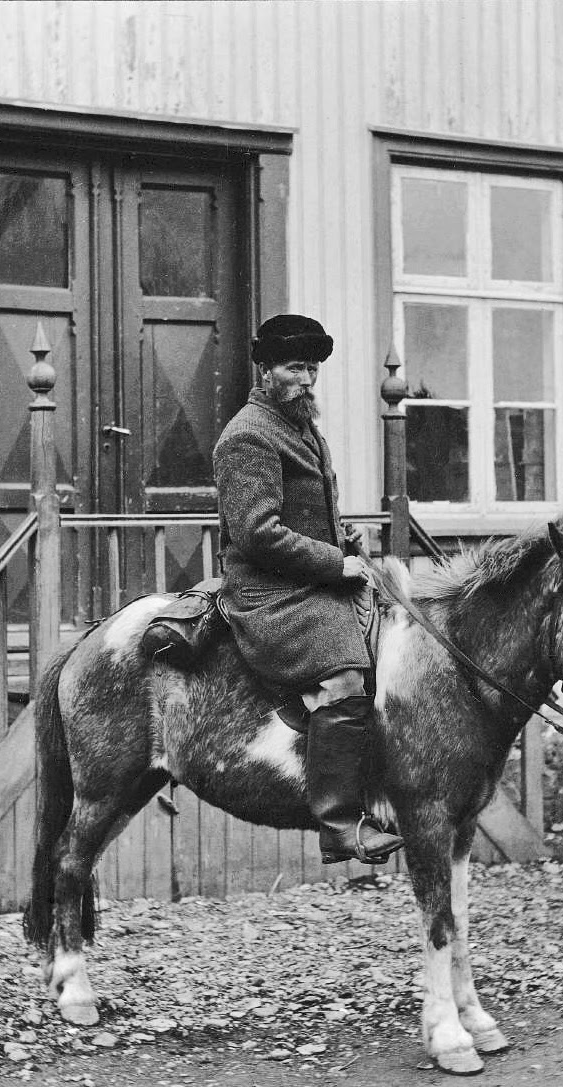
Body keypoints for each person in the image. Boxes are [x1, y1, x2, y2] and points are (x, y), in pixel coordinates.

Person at [212, 314, 405, 866]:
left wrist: (345, 539)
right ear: (266, 370)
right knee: (345, 674)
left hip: (307, 580)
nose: (308, 379)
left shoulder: (300, 429)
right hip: (268, 594)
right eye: (296, 367)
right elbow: (257, 532)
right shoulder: (248, 435)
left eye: (313, 368)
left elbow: (307, 516)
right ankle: (340, 826)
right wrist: (334, 563)